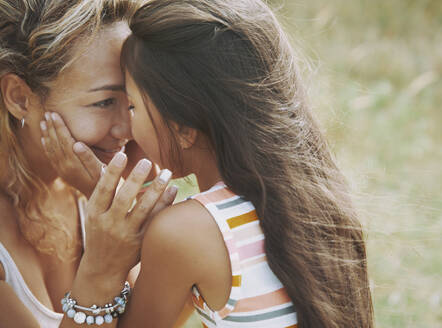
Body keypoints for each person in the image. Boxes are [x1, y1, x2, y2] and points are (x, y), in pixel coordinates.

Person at [114, 0, 374, 326]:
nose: (125, 125)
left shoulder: (185, 232)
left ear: (182, 128)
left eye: (132, 105)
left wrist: (105, 204)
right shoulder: (313, 195)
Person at [0, 1, 177, 327]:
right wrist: (104, 266)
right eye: (105, 102)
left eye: (132, 101)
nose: (127, 129)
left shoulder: (92, 187)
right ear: (19, 98)